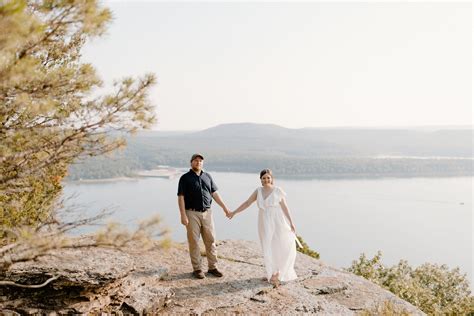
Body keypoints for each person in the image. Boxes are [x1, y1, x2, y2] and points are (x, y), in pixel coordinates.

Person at [228, 169, 297, 286]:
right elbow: (247, 203)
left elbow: (285, 207)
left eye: (268, 178)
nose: (266, 180)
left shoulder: (278, 190)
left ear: (272, 179)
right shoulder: (258, 191)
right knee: (267, 245)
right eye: (264, 178)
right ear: (260, 180)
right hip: (263, 221)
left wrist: (291, 222)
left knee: (280, 244)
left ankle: (279, 272)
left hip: (277, 220)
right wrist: (234, 212)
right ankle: (271, 271)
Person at [178, 153, 231, 279]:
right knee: (194, 242)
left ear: (203, 163)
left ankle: (212, 267)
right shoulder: (185, 178)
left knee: (211, 240)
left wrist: (225, 208)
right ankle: (197, 269)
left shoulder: (208, 176)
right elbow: (181, 197)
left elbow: (215, 194)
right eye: (195, 160)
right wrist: (183, 215)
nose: (198, 162)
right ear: (191, 162)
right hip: (191, 213)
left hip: (207, 213)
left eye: (200, 161)